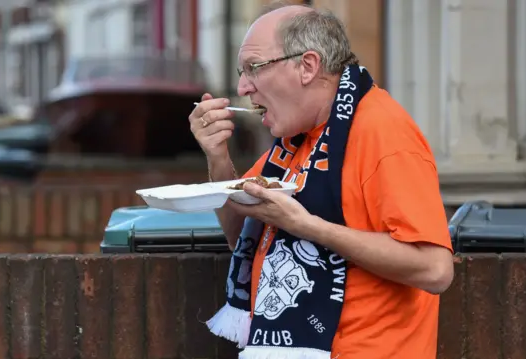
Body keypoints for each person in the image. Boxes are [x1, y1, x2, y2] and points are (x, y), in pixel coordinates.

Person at [188, 3, 454, 359]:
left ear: (308, 66)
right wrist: (218, 157)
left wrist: (309, 227)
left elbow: (435, 270)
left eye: (255, 68)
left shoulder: (383, 132)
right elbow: (245, 238)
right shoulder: (296, 138)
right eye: (241, 71)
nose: (242, 87)